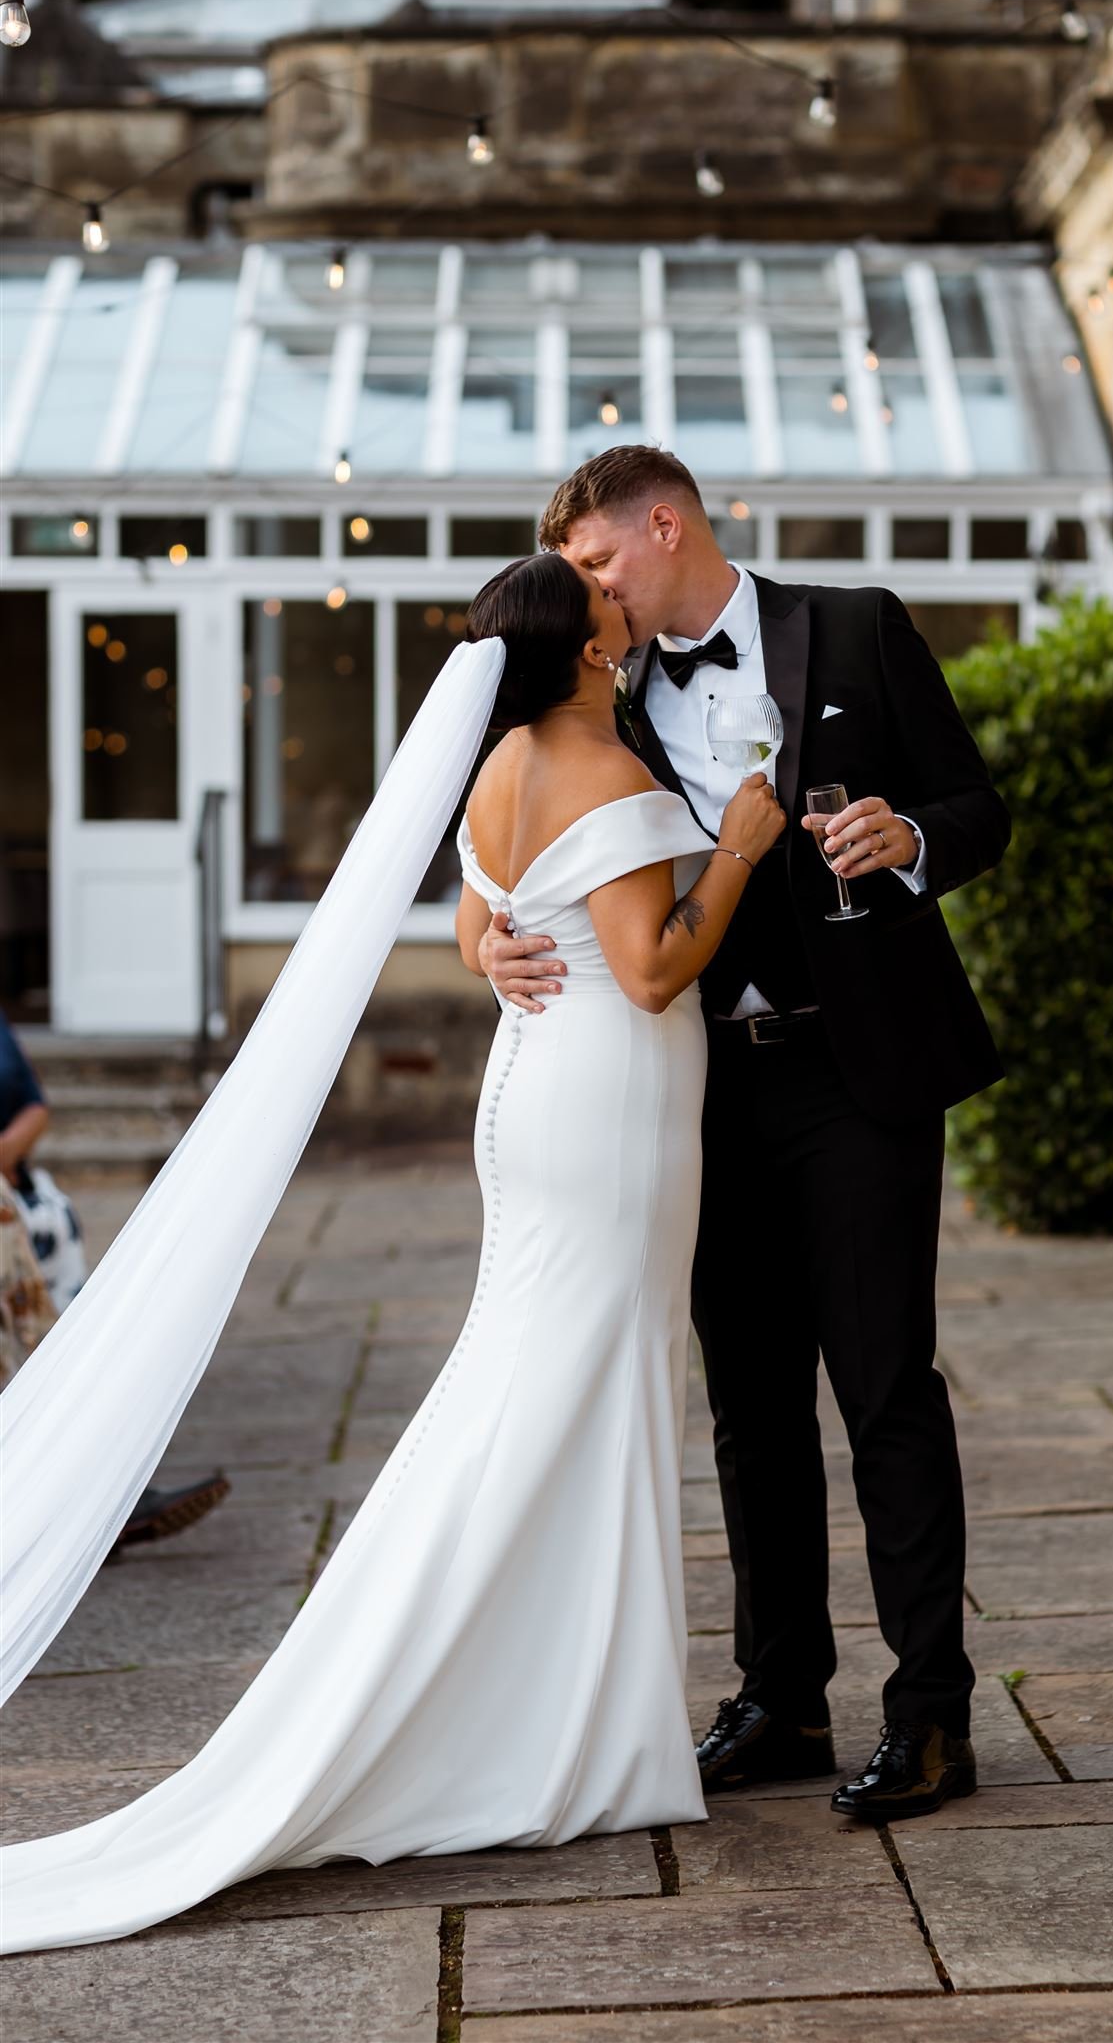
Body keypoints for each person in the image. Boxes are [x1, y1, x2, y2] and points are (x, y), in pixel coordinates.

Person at [0, 550, 786, 1953]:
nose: (622, 602)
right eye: (603, 601)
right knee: (570, 1399)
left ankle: (579, 1718)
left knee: (545, 1398)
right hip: (606, 1110)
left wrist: (495, 951)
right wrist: (737, 839)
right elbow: (658, 966)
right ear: (591, 652)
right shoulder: (607, 781)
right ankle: (541, 1725)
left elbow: (482, 918)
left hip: (544, 1095)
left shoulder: (496, 772)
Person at [484, 446, 1009, 1820]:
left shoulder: (854, 624)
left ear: (663, 526)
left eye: (596, 565)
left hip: (856, 1074)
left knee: (886, 1388)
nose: (584, 593)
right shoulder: (594, 697)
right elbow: (519, 844)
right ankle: (780, 1697)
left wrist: (910, 837)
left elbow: (978, 807)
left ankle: (931, 1717)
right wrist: (487, 935)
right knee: (750, 1410)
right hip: (694, 1089)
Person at [0, 1013, 229, 1549]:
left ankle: (93, 1493)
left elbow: (34, 1102)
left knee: (68, 1330)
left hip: (20, 1195)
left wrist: (6, 1151)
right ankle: (82, 1502)